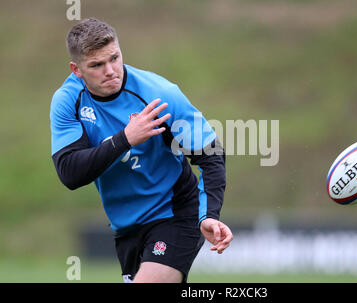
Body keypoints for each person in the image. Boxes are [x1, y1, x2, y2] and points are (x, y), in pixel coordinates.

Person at [50, 18, 233, 283]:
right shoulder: (68, 101)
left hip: (175, 214)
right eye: (97, 65)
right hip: (127, 227)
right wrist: (125, 138)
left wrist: (208, 215)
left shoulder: (160, 94)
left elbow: (211, 154)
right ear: (76, 70)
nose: (111, 70)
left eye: (114, 58)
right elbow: (70, 173)